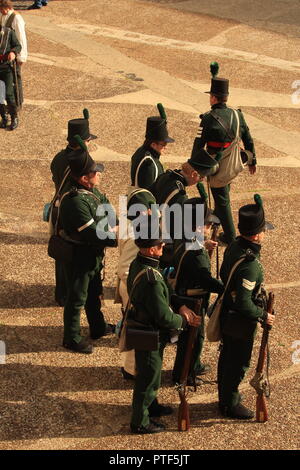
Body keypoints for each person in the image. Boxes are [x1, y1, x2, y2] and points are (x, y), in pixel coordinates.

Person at [127, 216, 200, 434]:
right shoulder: (152, 279)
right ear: (149, 249)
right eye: (159, 244)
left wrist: (180, 307)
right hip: (149, 332)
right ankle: (140, 421)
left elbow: (165, 297)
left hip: (148, 328)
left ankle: (152, 406)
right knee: (147, 378)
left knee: (154, 373)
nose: (163, 246)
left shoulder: (143, 265)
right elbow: (163, 317)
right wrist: (184, 320)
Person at [217, 194, 275, 419]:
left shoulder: (234, 246)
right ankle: (229, 403)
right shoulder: (250, 265)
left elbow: (224, 274)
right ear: (258, 234)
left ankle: (225, 397)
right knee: (238, 362)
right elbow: (243, 301)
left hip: (229, 314)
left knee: (227, 358)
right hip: (239, 321)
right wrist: (262, 315)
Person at [58, 139, 118, 354]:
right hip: (79, 255)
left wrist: (115, 224)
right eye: (95, 172)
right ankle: (71, 337)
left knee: (94, 292)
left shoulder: (92, 191)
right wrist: (116, 237)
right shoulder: (75, 201)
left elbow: (108, 210)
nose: (99, 174)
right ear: (84, 178)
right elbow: (94, 232)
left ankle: (98, 326)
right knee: (76, 298)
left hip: (92, 253)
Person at [192, 63, 257, 245]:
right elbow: (248, 138)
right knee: (224, 191)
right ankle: (218, 220)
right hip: (234, 162)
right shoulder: (237, 115)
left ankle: (229, 236)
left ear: (213, 98)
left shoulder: (207, 119)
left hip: (215, 165)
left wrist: (195, 170)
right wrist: (254, 161)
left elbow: (198, 147)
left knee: (221, 199)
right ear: (226, 97)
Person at [171, 196, 224, 385]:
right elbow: (205, 279)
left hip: (182, 293)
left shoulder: (185, 236)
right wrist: (224, 288)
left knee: (188, 341)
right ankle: (185, 376)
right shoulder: (196, 254)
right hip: (192, 299)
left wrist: (203, 244)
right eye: (207, 224)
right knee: (193, 341)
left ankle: (185, 370)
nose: (210, 228)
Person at [50, 109, 97, 306]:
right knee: (72, 255)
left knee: (60, 254)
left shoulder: (58, 157)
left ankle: (61, 293)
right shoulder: (80, 162)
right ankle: (70, 295)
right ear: (83, 141)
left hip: (57, 207)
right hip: (72, 209)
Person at [117, 186, 159, 380]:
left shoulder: (130, 223)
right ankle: (132, 370)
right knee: (137, 332)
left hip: (132, 286)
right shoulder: (136, 235)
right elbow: (124, 269)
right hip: (134, 290)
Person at [130, 104, 174, 190]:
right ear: (153, 144)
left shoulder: (141, 150)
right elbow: (149, 193)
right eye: (163, 144)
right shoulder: (149, 165)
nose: (166, 147)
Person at [0, 0, 28, 107]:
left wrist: (21, 57)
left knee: (16, 79)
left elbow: (21, 39)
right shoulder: (3, 16)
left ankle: (18, 103)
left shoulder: (16, 18)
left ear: (5, 7)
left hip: (15, 54)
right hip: (5, 55)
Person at [0, 23, 21, 130]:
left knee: (8, 93)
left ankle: (14, 117)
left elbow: (18, 45)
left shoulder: (8, 32)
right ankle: (4, 118)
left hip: (6, 67)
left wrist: (13, 52)